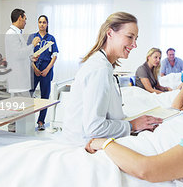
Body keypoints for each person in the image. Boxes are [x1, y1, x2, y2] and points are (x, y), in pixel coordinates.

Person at [61, 12, 163, 144]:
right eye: (130, 37)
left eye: (136, 38)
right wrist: (132, 125)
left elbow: (108, 115)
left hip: (91, 140)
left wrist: (135, 122)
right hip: (83, 145)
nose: (135, 45)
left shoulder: (104, 65)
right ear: (110, 33)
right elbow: (94, 128)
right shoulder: (99, 69)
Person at [27, 15, 59, 131]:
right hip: (34, 68)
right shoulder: (32, 37)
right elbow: (27, 54)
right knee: (28, 94)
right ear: (37, 24)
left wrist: (47, 69)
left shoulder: (51, 38)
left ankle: (41, 121)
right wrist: (34, 68)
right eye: (40, 22)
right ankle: (27, 119)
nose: (42, 24)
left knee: (44, 96)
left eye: (44, 22)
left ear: (47, 24)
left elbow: (55, 56)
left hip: (47, 69)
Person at [5, 8, 40, 97]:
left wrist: (31, 58)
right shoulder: (12, 34)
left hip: (20, 79)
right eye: (25, 19)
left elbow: (19, 54)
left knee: (22, 108)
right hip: (18, 79)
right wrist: (33, 45)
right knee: (26, 107)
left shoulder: (17, 33)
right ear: (20, 18)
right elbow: (18, 54)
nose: (25, 22)